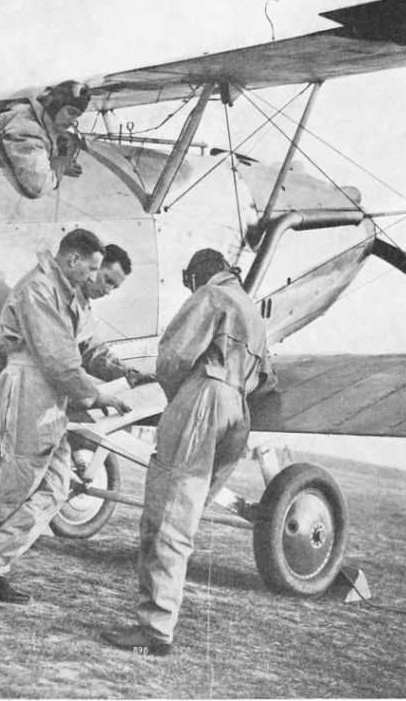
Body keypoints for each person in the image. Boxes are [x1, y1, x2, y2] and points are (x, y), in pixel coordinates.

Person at [0, 243, 150, 597]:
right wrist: (95, 395)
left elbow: (90, 348)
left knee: (38, 483)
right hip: (2, 375)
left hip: (43, 390)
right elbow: (58, 356)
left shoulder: (79, 301)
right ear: (88, 265)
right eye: (104, 278)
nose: (105, 289)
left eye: (113, 286)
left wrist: (125, 372)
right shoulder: (44, 289)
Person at [101, 248, 276, 655]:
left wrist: (182, 398)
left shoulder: (210, 296)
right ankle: (158, 622)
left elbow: (174, 357)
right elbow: (267, 379)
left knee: (166, 517)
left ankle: (155, 630)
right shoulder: (251, 311)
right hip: (239, 411)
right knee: (186, 515)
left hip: (204, 399)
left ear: (198, 275)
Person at [0, 80, 90, 198]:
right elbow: (37, 186)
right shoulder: (29, 128)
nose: (72, 121)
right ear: (56, 104)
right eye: (70, 112)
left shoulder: (36, 115)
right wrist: (61, 164)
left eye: (77, 116)